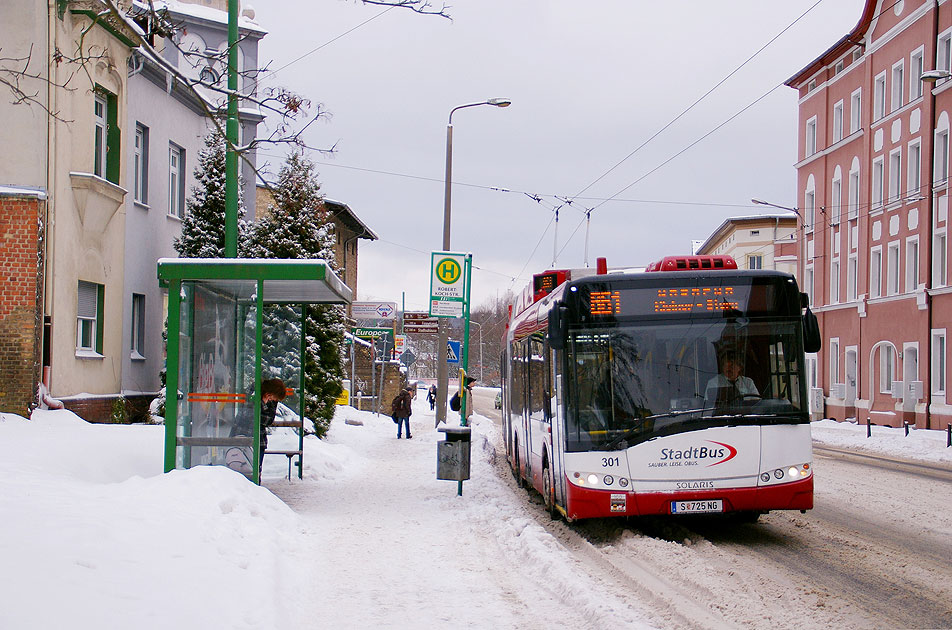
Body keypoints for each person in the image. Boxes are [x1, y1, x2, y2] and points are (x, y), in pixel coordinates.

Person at [232, 378, 288, 471]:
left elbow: (269, 420)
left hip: (259, 438)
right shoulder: (253, 391)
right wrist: (262, 404)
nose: (272, 400)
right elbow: (248, 414)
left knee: (256, 469)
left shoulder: (272, 401)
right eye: (273, 397)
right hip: (242, 434)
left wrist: (262, 408)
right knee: (239, 467)